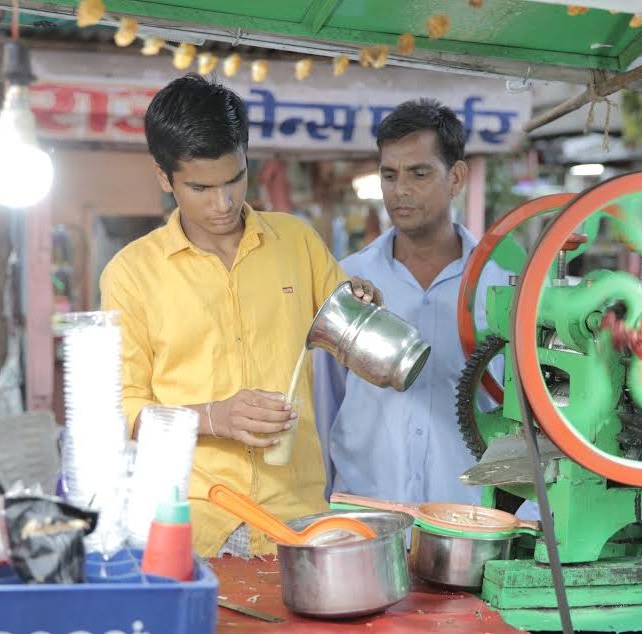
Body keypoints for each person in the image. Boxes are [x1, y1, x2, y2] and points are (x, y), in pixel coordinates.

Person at [100, 74, 380, 558]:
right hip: (189, 520)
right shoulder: (131, 274)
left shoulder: (296, 241)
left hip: (295, 516)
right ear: (165, 178)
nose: (223, 203)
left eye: (235, 179)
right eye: (201, 187)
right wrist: (214, 417)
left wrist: (364, 304)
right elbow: (123, 411)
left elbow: (355, 339)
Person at [314, 98, 506, 505]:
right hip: (366, 517)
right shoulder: (348, 281)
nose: (400, 190)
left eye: (419, 173)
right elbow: (324, 405)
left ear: (456, 178)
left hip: (465, 519)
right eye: (389, 175)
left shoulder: (501, 289)